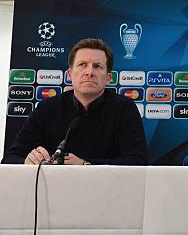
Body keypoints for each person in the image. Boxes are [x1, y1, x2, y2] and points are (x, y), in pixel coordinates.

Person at [2, 38, 148, 165]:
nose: (89, 72)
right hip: (53, 190)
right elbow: (10, 158)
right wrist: (27, 161)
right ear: (70, 75)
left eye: (97, 66)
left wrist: (87, 165)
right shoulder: (47, 108)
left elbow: (138, 161)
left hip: (109, 192)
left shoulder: (124, 108)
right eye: (82, 64)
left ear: (108, 78)